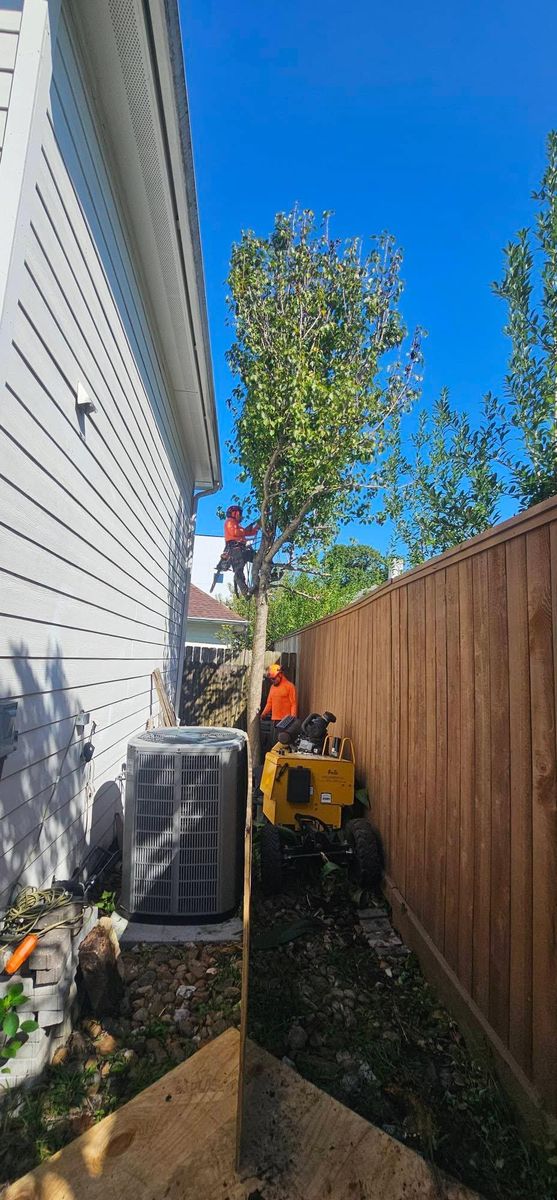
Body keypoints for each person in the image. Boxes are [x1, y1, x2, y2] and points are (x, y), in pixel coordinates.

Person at [221, 505, 260, 598]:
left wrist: (257, 526)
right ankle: (245, 592)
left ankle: (270, 573)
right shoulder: (229, 522)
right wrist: (244, 530)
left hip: (242, 549)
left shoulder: (237, 525)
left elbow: (250, 532)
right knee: (238, 571)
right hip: (234, 549)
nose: (241, 516)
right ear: (235, 513)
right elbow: (235, 532)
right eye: (240, 513)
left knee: (258, 558)